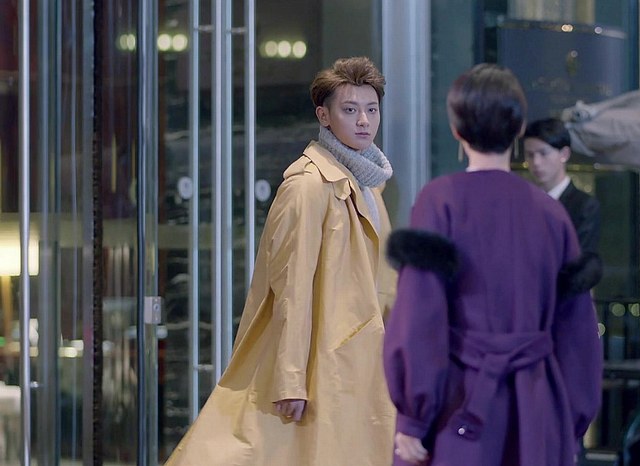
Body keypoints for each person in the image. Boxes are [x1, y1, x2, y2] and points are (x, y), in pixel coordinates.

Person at [165, 56, 397, 465]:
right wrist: (291, 378)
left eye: (371, 109)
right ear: (323, 116)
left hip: (359, 361)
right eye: (350, 110)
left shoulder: (367, 185)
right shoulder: (308, 186)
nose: (364, 120)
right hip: (322, 362)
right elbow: (291, 284)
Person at [383, 63, 603, 466]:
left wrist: (414, 415)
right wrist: (568, 422)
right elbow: (578, 333)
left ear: (457, 129)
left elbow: (419, 316)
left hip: (459, 405)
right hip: (537, 408)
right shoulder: (551, 214)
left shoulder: (440, 200)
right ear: (518, 129)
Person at [524, 117, 601, 254]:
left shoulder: (584, 206)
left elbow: (581, 258)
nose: (536, 162)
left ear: (564, 154)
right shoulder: (524, 202)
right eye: (530, 155)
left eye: (543, 153)